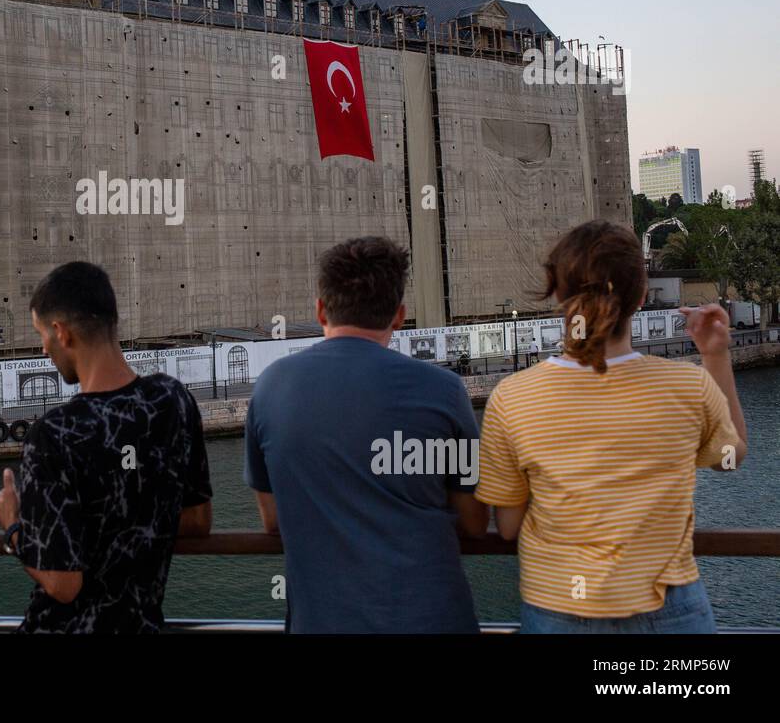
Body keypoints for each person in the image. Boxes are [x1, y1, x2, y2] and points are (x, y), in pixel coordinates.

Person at [476, 220, 747, 633]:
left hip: (558, 608)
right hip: (672, 610)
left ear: (559, 294)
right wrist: (715, 355)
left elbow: (509, 526)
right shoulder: (686, 385)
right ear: (640, 297)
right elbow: (731, 457)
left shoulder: (513, 396)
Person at [244, 237, 487, 633]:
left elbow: (273, 520)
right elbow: (475, 522)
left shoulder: (271, 387)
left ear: (321, 310)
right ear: (399, 315)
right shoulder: (444, 391)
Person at [0, 261, 212, 632]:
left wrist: (12, 526)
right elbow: (198, 521)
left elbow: (63, 584)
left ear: (61, 333)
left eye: (41, 333)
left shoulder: (54, 434)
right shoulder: (174, 401)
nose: (43, 348)